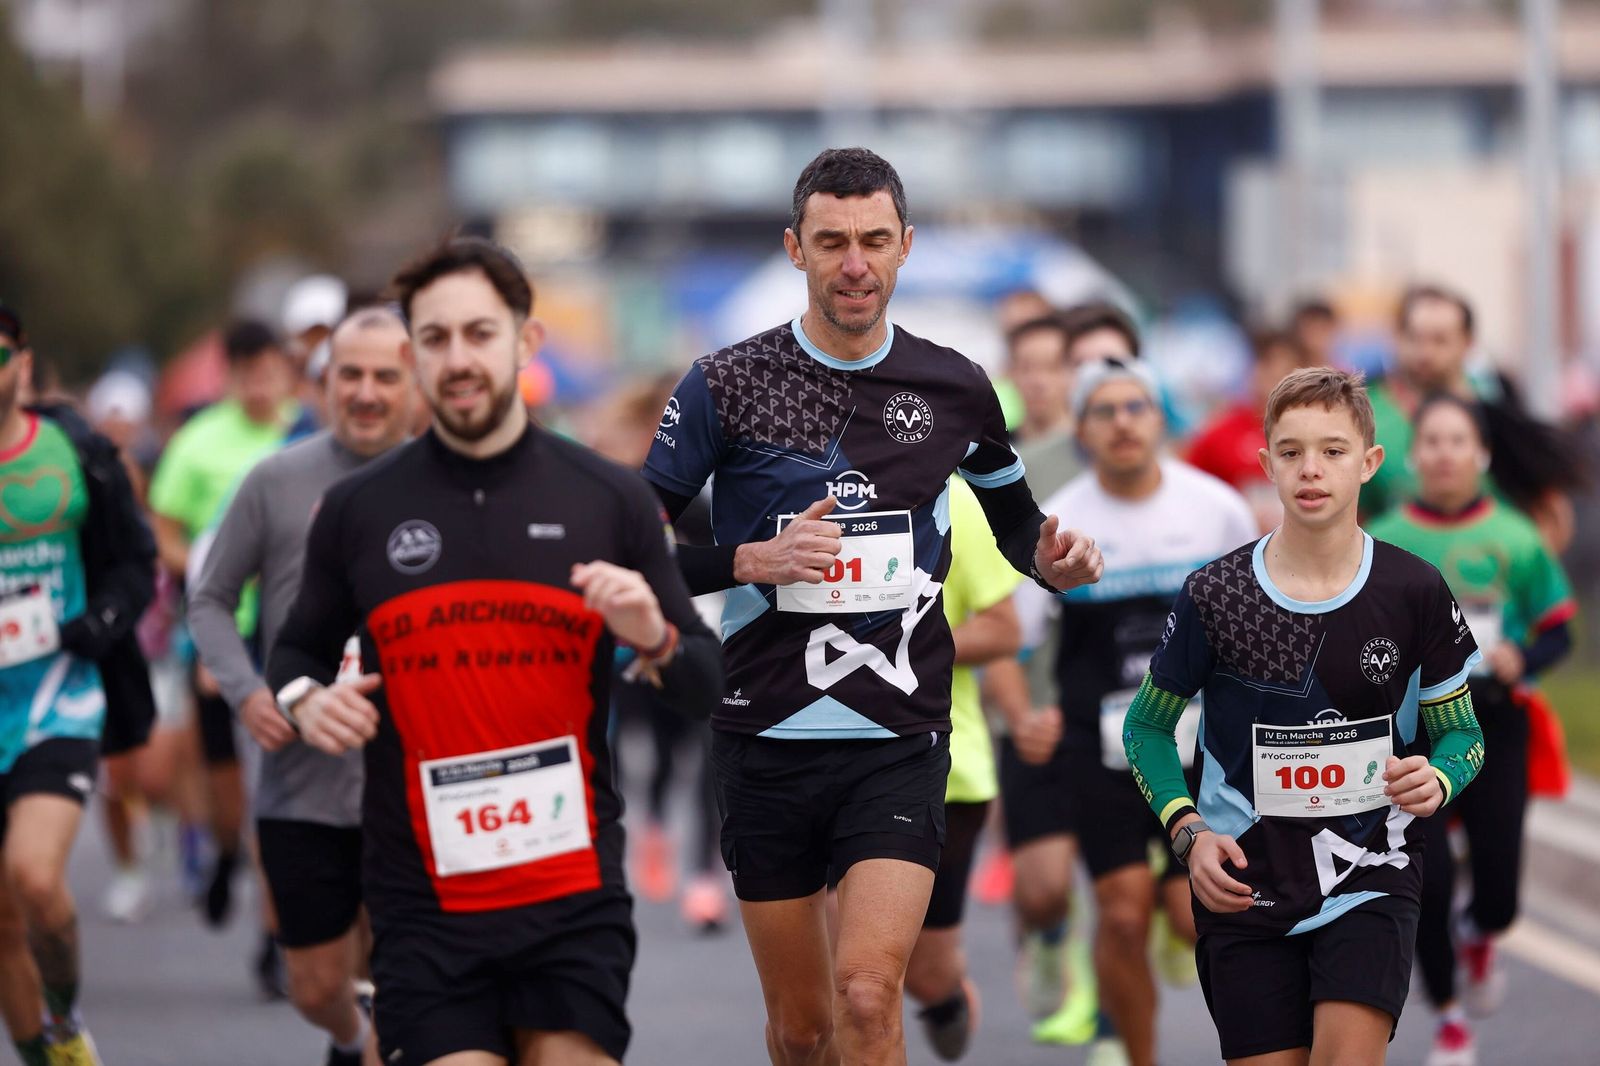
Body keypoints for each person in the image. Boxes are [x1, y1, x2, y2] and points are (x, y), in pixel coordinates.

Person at [642, 147, 1102, 1065]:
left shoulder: (956, 386)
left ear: (905, 248)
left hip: (897, 736)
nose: (854, 263)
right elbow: (626, 545)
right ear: (794, 249)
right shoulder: (725, 383)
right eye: (832, 242)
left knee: (865, 996)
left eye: (874, 241)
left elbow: (1018, 530)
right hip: (765, 735)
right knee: (803, 1029)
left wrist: (1053, 561)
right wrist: (747, 560)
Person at [267, 236, 722, 1066]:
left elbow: (705, 680)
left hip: (572, 898)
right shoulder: (359, 509)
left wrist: (653, 635)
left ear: (524, 342)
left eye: (480, 333)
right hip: (424, 906)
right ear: (413, 354)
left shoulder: (610, 499)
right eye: (436, 339)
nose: (459, 358)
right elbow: (295, 651)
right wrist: (307, 700)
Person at [1124, 367, 1486, 1066]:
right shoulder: (1216, 594)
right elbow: (1146, 729)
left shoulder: (1413, 589)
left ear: (1370, 464)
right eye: (1290, 453)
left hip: (1371, 872)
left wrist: (1439, 781)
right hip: (1243, 882)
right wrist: (1188, 832)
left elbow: (1463, 735)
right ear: (1265, 465)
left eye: (1333, 451)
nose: (1311, 470)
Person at [189, 306, 416, 1065]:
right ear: (321, 383)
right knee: (315, 986)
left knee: (400, 979)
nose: (366, 391)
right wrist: (249, 690)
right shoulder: (277, 479)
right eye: (348, 374)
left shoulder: (445, 481)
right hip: (300, 777)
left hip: (411, 780)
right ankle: (351, 1041)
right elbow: (210, 597)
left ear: (413, 383)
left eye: (387, 375)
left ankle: (379, 1044)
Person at [1017, 357, 1257, 1066]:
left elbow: (1258, 626)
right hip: (1102, 748)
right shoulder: (1061, 517)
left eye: (1136, 408)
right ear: (1083, 430)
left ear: (1160, 419)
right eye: (1105, 411)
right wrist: (1026, 713)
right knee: (1120, 918)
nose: (1123, 423)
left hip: (1206, 746)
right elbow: (1018, 635)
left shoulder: (1215, 509)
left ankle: (1175, 925)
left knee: (1195, 919)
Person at [1367, 394, 1576, 1066]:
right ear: (1413, 455)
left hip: (1493, 724)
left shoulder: (1516, 536)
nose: (1445, 453)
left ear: (1481, 454)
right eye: (1431, 441)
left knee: (1501, 892)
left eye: (1459, 441)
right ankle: (1451, 1019)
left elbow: (1558, 631)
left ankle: (1482, 931)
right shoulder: (1384, 538)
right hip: (1411, 734)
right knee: (1422, 884)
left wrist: (1522, 660)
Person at [0, 301, 157, 1064]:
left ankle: (62, 1013)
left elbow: (134, 561)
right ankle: (45, 1053)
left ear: (22, 365)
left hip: (57, 694)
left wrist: (102, 620)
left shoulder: (76, 452)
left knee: (33, 877)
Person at [984, 299, 1142, 1037]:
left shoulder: (1158, 470)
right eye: (1051, 368)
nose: (1064, 383)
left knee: (1124, 899)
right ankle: (1047, 937)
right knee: (1047, 887)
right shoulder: (1008, 470)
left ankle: (1111, 1027)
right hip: (1033, 693)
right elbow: (989, 601)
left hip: (1128, 712)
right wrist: (1016, 709)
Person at [147, 317, 303, 938]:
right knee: (227, 780)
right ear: (230, 376)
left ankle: (275, 933)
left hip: (292, 629)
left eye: (270, 372)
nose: (261, 387)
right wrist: (217, 568)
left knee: (280, 776)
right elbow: (163, 531)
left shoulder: (306, 431)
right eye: (248, 375)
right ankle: (227, 850)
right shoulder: (198, 442)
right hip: (220, 629)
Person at [903, 476, 1024, 1060]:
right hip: (819, 756)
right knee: (845, 983)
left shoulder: (947, 494)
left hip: (944, 765)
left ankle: (944, 990)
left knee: (922, 976)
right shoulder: (785, 476)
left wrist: (891, 645)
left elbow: (1005, 629)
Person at [1365, 285, 1586, 543]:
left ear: (1468, 342)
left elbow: (1550, 511)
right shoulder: (1366, 411)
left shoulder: (1495, 406)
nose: (1425, 353)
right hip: (1397, 570)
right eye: (1414, 338)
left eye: (1440, 340)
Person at [1187, 330, 1311, 533]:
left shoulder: (1318, 432)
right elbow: (1188, 491)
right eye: (1269, 367)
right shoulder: (1219, 433)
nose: (1277, 380)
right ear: (1253, 369)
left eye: (1287, 371)